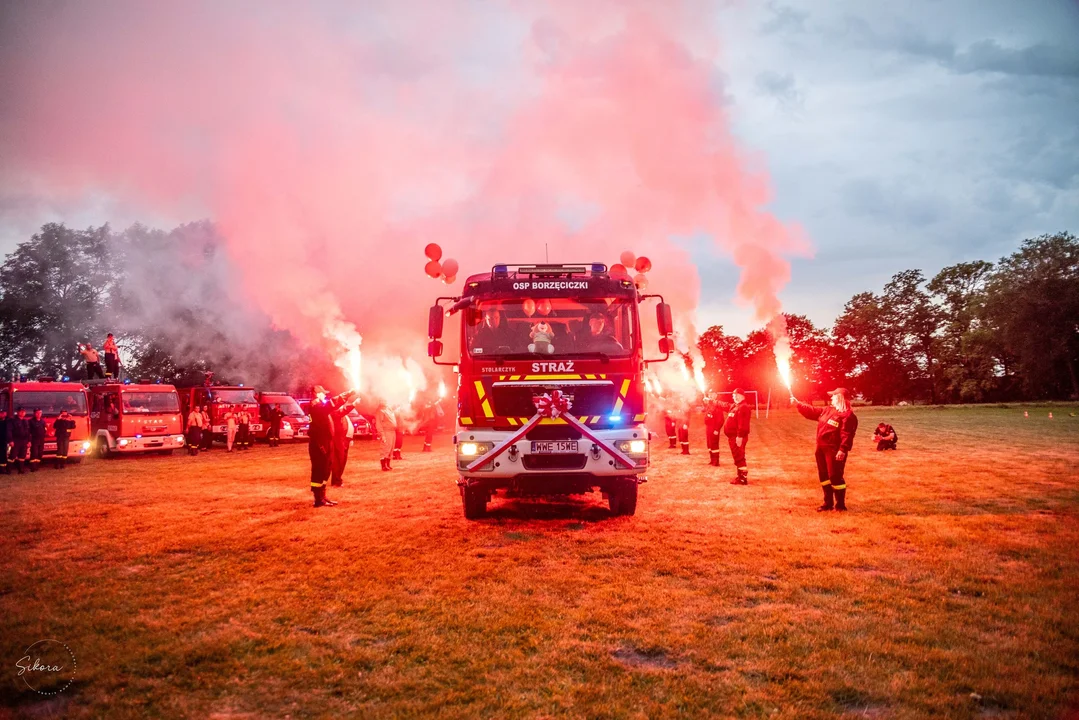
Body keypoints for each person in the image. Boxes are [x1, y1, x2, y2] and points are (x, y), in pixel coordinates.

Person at [793, 388, 859, 512]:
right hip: (821, 448)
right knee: (823, 476)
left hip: (834, 449)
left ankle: (840, 506)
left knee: (835, 476)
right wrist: (798, 404)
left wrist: (842, 450)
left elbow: (847, 434)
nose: (831, 398)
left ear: (840, 397)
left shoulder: (848, 415)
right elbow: (812, 412)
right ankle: (827, 503)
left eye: (833, 396)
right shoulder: (827, 410)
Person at [307, 386, 338, 507]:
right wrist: (346, 395)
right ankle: (318, 499)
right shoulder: (316, 406)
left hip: (324, 441)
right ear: (316, 393)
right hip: (319, 443)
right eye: (322, 393)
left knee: (325, 470)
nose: (324, 395)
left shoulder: (319, 406)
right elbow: (331, 405)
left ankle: (323, 496)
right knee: (319, 471)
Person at [723, 389, 752, 485]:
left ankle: (743, 478)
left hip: (737, 437)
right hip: (733, 437)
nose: (735, 397)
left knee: (739, 457)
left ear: (743, 396)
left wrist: (739, 437)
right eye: (734, 395)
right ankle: (740, 476)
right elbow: (724, 405)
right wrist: (712, 401)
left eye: (737, 395)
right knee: (737, 456)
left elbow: (743, 425)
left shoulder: (743, 407)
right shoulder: (735, 406)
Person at [330, 395, 358, 487]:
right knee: (338, 461)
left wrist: (350, 438)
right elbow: (344, 410)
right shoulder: (335, 412)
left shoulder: (343, 415)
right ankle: (336, 481)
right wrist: (354, 404)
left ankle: (338, 479)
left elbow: (348, 426)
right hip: (339, 439)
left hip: (345, 439)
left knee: (342, 461)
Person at [703, 392, 724, 467]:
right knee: (709, 444)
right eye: (709, 395)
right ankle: (712, 459)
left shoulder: (717, 405)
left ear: (716, 396)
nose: (710, 396)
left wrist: (717, 429)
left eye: (712, 395)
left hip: (714, 427)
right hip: (708, 427)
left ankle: (716, 461)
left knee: (714, 444)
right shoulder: (709, 405)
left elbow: (721, 420)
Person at [376, 400, 397, 471]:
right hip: (386, 431)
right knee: (385, 447)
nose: (385, 401)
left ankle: (388, 464)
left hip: (392, 431)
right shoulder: (380, 411)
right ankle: (383, 466)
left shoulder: (388, 409)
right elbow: (378, 424)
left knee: (391, 448)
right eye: (383, 400)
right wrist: (382, 434)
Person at [10, 409, 31, 474]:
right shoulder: (13, 421)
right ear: (18, 412)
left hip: (24, 440)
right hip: (16, 440)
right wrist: (10, 440)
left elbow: (28, 432)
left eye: (24, 412)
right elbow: (9, 431)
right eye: (21, 412)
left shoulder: (25, 421)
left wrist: (29, 441)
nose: (23, 413)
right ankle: (8, 470)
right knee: (13, 455)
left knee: (22, 456)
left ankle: (21, 470)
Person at [0, 409, 9, 475]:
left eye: (3, 413)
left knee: (3, 455)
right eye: (1, 413)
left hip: (4, 441)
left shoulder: (8, 421)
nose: (2, 414)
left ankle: (3, 469)